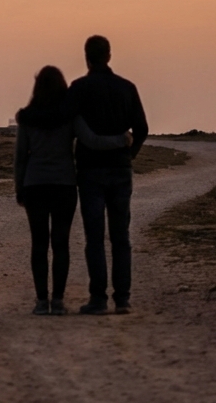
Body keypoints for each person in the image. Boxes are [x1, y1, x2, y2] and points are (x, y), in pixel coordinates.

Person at [14, 66, 132, 316]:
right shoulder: (69, 117)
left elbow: (20, 158)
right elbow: (92, 140)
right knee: (61, 244)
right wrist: (121, 140)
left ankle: (40, 301)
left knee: (38, 244)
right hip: (64, 186)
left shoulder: (26, 117)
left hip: (35, 184)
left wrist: (19, 187)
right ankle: (57, 301)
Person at [69, 35, 149, 315]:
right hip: (120, 170)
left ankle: (98, 299)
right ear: (109, 56)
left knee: (94, 238)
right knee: (120, 237)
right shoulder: (127, 88)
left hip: (90, 171)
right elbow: (142, 128)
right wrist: (129, 155)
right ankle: (123, 299)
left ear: (86, 57)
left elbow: (69, 129)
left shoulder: (78, 89)